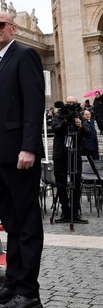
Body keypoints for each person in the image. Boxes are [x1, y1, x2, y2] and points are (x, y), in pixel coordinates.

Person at [0, 11, 44, 308]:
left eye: (0, 25)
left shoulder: (24, 55)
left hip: (20, 157)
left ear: (13, 28)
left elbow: (33, 103)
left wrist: (29, 147)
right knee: (12, 223)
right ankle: (14, 282)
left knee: (26, 224)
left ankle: (29, 293)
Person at [51, 96, 89, 224]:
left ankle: (75, 212)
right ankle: (65, 210)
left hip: (75, 152)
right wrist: (65, 122)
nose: (70, 105)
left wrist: (80, 126)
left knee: (76, 182)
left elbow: (88, 132)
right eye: (68, 103)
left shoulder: (79, 116)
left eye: (73, 103)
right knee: (60, 183)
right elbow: (54, 128)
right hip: (60, 154)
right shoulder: (59, 115)